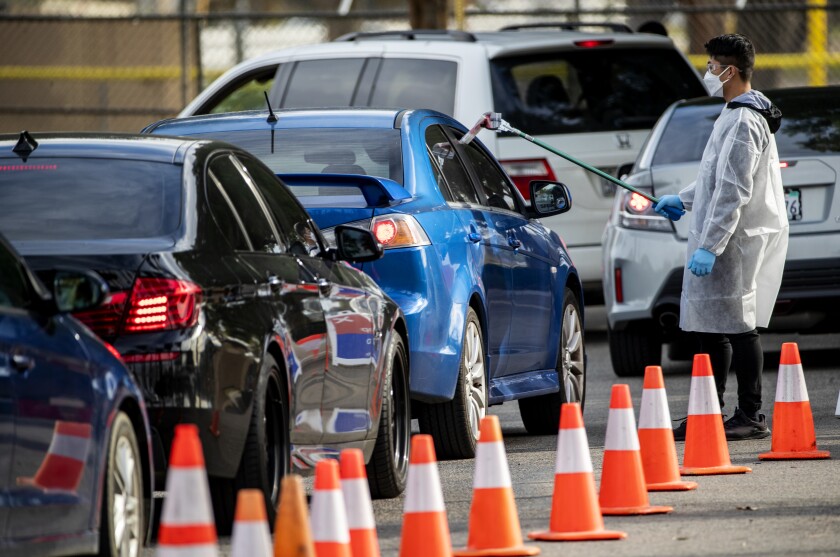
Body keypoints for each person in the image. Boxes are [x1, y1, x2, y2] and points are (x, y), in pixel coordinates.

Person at [654, 34, 789, 441]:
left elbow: (734, 190)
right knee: (713, 328)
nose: (708, 72)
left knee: (739, 325)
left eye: (712, 66)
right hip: (724, 238)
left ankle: (750, 415)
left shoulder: (745, 120)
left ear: (729, 70)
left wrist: (710, 246)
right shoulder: (733, 113)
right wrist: (682, 198)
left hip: (734, 240)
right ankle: (708, 413)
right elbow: (715, 179)